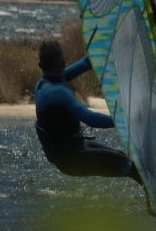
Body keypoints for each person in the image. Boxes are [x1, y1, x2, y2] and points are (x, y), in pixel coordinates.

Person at [33, 40, 140, 182]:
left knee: (125, 160)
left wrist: (111, 47)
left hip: (72, 151)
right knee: (129, 166)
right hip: (72, 159)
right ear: (63, 62)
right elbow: (91, 119)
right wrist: (126, 121)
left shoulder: (44, 83)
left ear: (40, 66)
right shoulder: (56, 92)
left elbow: (85, 63)